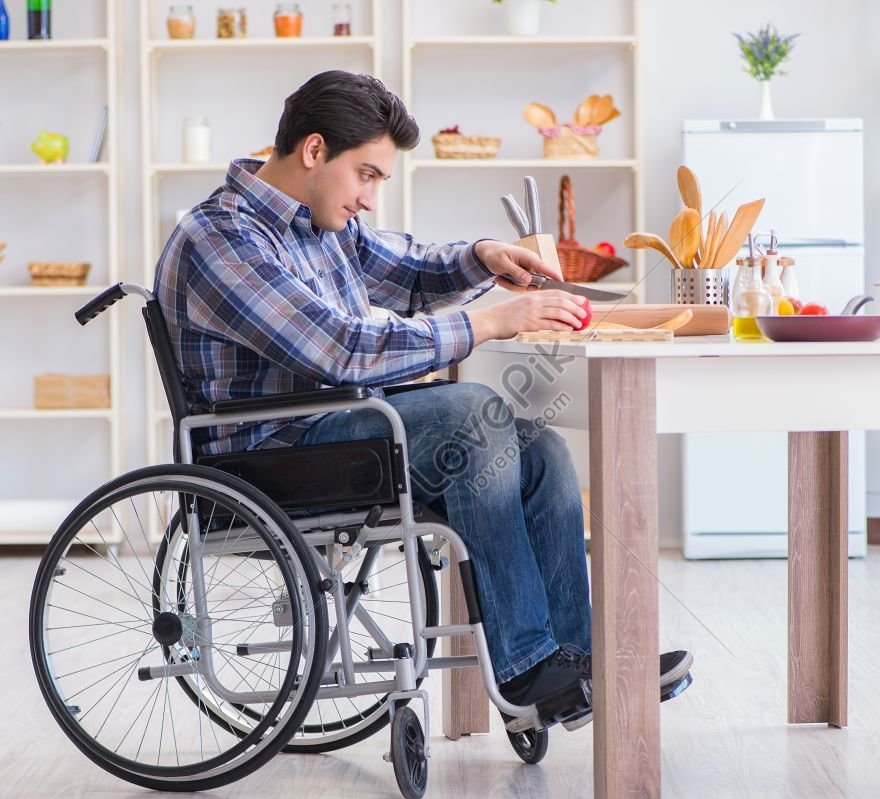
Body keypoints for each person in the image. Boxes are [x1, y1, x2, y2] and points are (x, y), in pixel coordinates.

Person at [154, 70, 691, 730]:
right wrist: (495, 319)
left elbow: (407, 271)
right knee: (473, 414)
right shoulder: (222, 238)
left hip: (338, 431)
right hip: (268, 459)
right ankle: (526, 669)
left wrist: (484, 258)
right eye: (369, 175)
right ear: (315, 151)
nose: (372, 198)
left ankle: (574, 663)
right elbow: (341, 349)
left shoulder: (319, 223)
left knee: (542, 450)